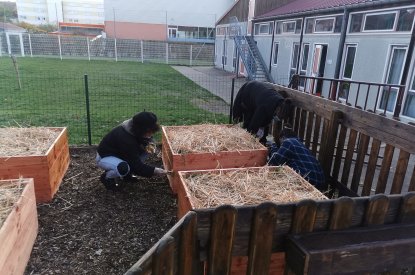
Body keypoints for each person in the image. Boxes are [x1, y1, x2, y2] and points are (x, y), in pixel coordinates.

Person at [96, 111, 167, 191]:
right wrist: (154, 171)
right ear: (141, 130)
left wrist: (150, 143)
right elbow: (136, 165)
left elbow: (146, 140)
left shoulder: (135, 128)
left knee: (147, 150)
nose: (150, 134)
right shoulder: (125, 138)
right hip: (105, 156)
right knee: (123, 168)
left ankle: (127, 175)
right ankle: (107, 177)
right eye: (148, 132)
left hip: (121, 153)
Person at [268, 126, 326, 190]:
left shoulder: (288, 142)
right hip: (320, 182)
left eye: (279, 142)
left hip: (309, 181)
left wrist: (273, 146)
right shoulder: (299, 144)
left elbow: (274, 162)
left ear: (282, 137)